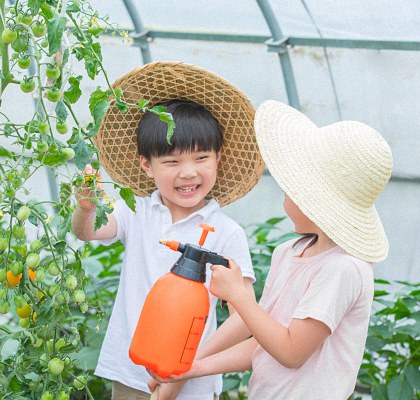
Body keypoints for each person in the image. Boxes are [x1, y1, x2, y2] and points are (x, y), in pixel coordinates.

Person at [147, 100, 394, 400]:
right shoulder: (288, 253)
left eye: (291, 187)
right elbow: (265, 345)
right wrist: (191, 369)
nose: (285, 191)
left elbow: (291, 351)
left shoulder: (343, 268)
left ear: (312, 200)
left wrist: (238, 294)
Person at [71, 62, 265, 400]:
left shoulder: (226, 233)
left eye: (201, 158)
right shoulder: (136, 210)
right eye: (172, 162)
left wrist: (188, 366)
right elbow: (88, 232)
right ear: (147, 165)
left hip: (193, 384)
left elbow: (243, 317)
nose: (188, 173)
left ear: (219, 157)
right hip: (130, 375)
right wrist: (87, 209)